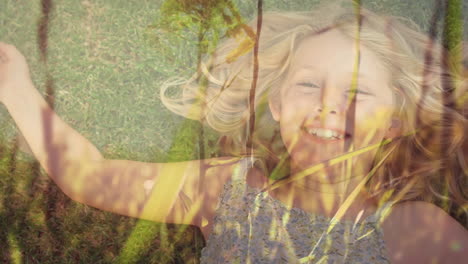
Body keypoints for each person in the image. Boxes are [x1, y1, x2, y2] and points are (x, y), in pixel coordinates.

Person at [0, 2, 467, 263]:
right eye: (308, 83)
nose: (328, 103)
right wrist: (14, 85)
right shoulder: (226, 190)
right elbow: (86, 175)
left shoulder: (419, 231)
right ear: (278, 104)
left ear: (396, 120)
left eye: (357, 92)